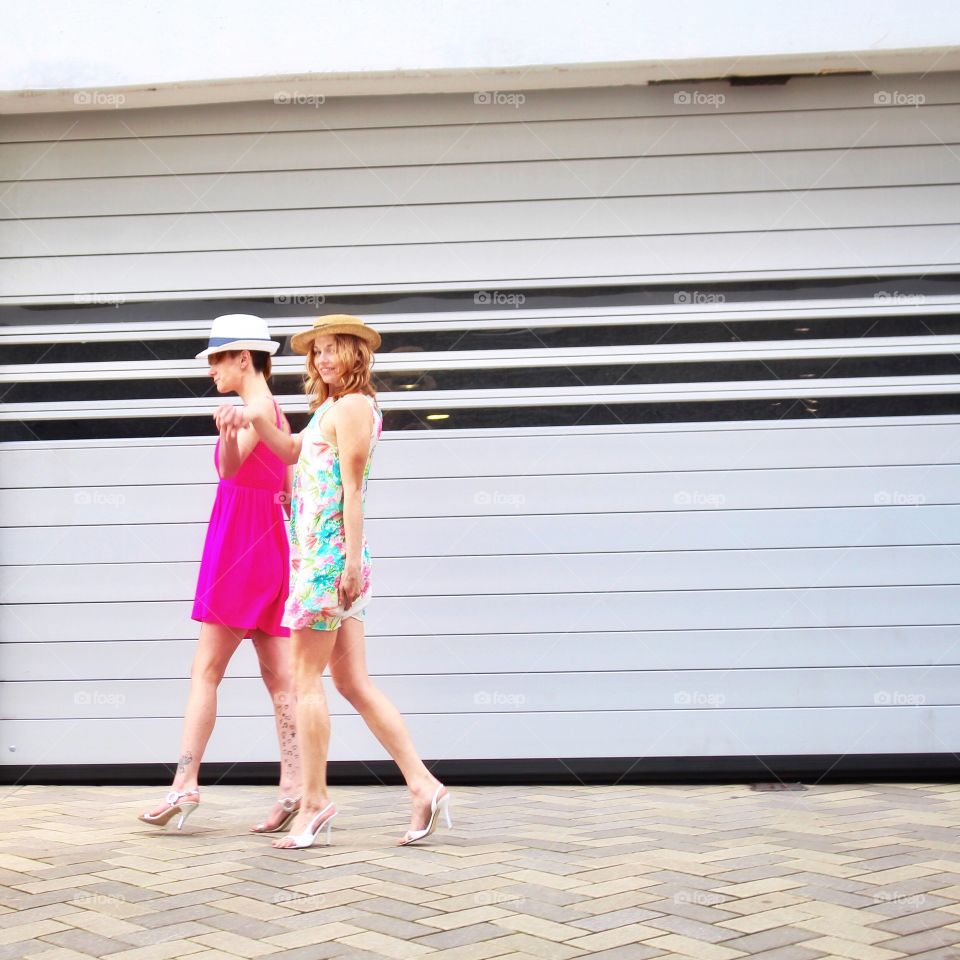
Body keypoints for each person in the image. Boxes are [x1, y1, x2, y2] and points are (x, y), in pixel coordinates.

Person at [220, 314, 451, 850]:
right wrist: (254, 419)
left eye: (333, 350)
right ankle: (424, 784)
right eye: (317, 351)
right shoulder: (329, 406)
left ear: (355, 355)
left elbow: (353, 487)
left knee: (304, 681)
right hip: (325, 559)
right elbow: (293, 453)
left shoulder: (352, 406)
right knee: (351, 683)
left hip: (328, 560)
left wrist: (346, 563)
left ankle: (316, 800)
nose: (323, 359)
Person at [138, 314, 302, 833]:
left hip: (239, 547)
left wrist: (231, 428)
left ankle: (185, 785)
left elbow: (229, 471)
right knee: (280, 678)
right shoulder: (272, 411)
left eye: (216, 358)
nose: (211, 369)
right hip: (266, 543)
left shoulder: (256, 409)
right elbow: (282, 484)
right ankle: (295, 789)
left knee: (206, 672)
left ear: (243, 359)